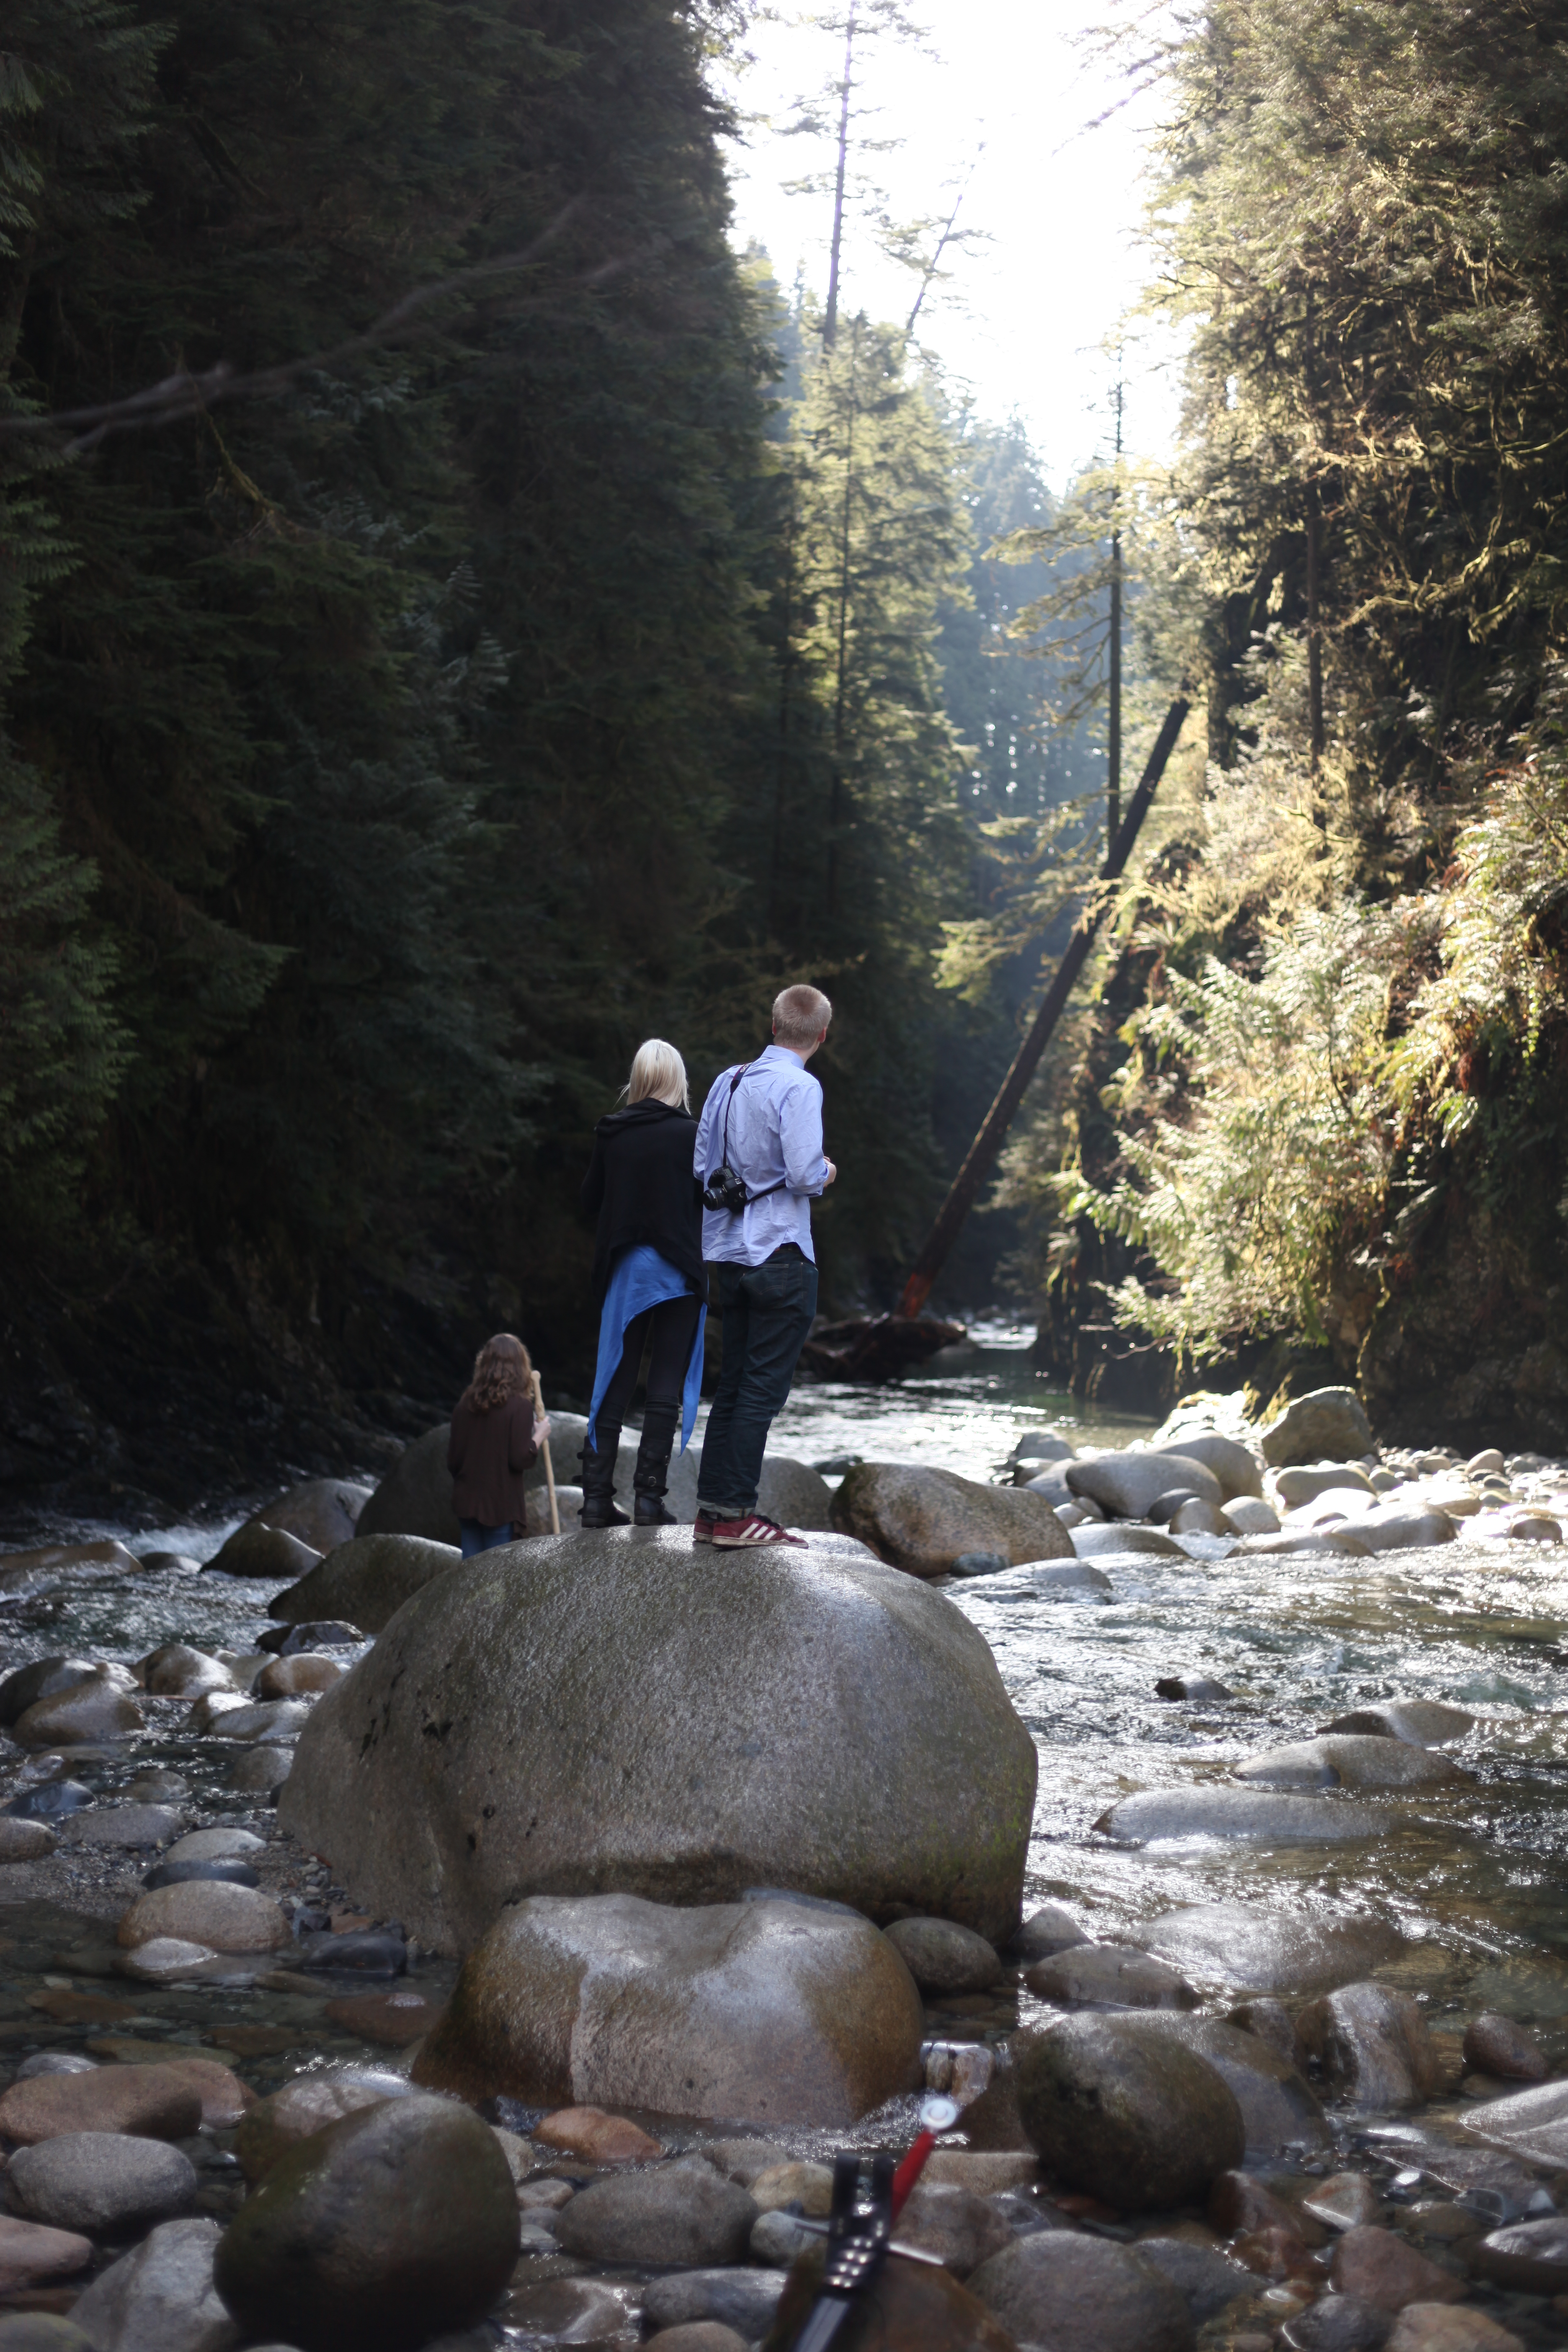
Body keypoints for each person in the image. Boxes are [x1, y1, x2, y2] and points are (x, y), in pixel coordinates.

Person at [693, 983, 836, 1549]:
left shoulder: (727, 1081)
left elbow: (703, 1166)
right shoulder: (800, 1086)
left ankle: (712, 1511)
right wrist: (827, 1171)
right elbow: (803, 1175)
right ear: (821, 1035)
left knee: (733, 1385)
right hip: (781, 1252)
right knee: (760, 1391)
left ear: (774, 1025)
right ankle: (733, 1514)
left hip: (729, 1254)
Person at [579, 1038, 707, 1527]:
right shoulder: (691, 1134)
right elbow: (712, 1201)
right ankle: (649, 1501)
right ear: (678, 1080)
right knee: (664, 1383)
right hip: (676, 1269)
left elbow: (590, 1200)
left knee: (615, 1376)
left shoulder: (611, 1133)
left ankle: (595, 1500)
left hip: (626, 1271)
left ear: (637, 1079)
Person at [447, 1333, 550, 1556]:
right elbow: (520, 1458)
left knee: (471, 1578)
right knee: (496, 1580)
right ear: (520, 1367)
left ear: (483, 1364)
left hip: (467, 1504)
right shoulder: (520, 1407)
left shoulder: (464, 1406)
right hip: (500, 1508)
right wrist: (539, 1436)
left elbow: (453, 1462)